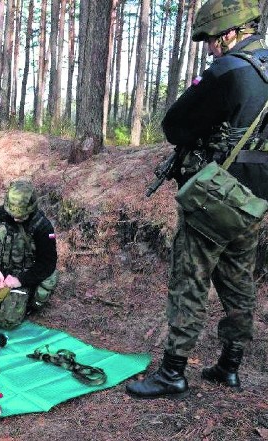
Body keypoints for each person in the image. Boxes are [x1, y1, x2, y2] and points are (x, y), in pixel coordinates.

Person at [127, 0, 268, 399]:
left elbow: (175, 125)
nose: (209, 48)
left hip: (216, 195)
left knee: (191, 278)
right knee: (240, 280)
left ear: (229, 32)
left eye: (210, 39)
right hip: (256, 199)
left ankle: (173, 372)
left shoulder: (229, 69)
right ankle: (230, 365)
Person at [0, 180, 58, 316]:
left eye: (21, 216)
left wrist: (19, 280)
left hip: (28, 277)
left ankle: (29, 303)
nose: (16, 218)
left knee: (9, 317)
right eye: (13, 215)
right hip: (4, 274)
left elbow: (47, 264)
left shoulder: (42, 226)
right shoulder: (0, 215)